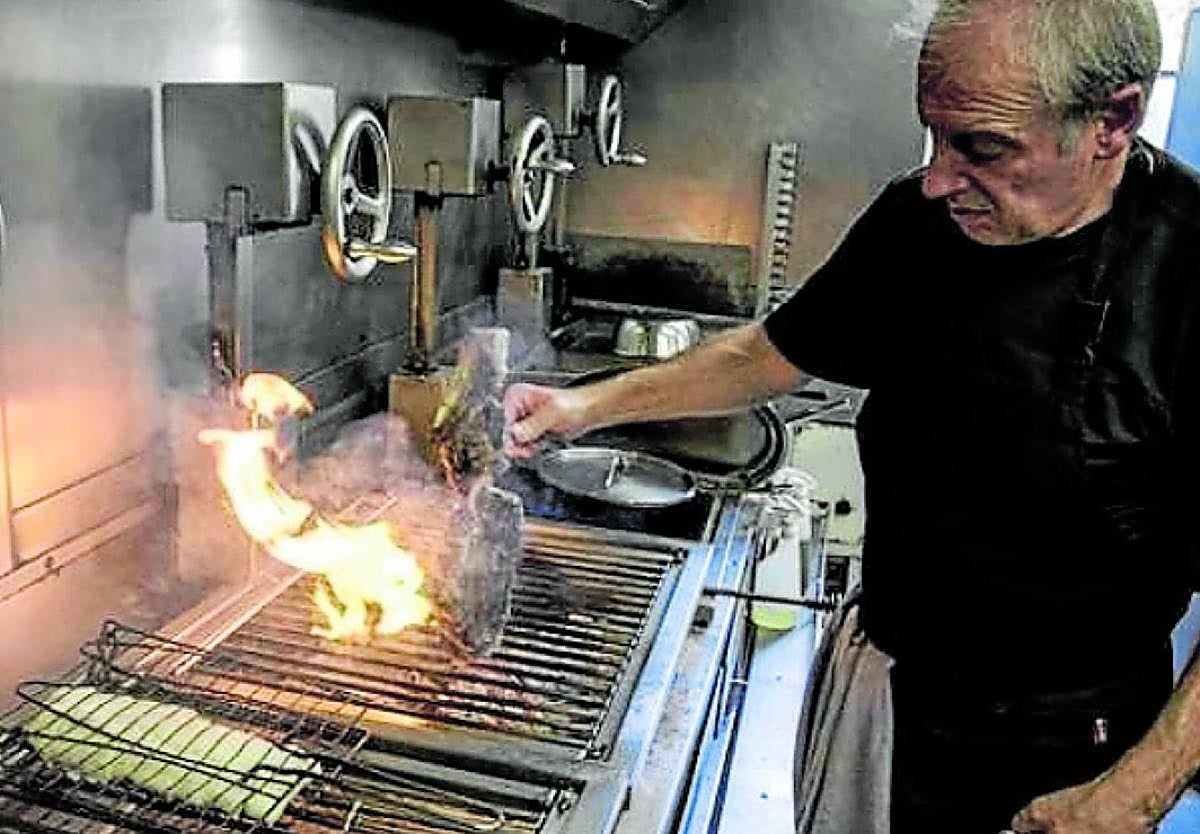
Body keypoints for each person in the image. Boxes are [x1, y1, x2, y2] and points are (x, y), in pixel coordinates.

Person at [506, 0, 1200, 830]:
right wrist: (580, 408)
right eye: (933, 137)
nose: (937, 178)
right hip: (888, 689)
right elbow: (768, 355)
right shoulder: (919, 223)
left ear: (1112, 122)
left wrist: (1133, 795)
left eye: (981, 147)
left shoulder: (1186, 275)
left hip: (1074, 753)